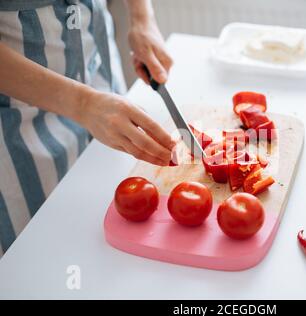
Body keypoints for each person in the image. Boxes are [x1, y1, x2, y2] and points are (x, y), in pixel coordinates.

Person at [0, 0, 176, 257]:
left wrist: (141, 18)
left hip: (99, 75)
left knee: (100, 246)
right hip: (18, 125)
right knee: (41, 256)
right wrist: (82, 103)